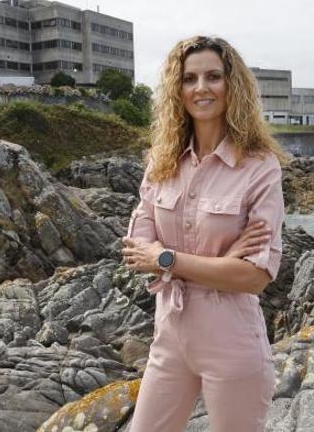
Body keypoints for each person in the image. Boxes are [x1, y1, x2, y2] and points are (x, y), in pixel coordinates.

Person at [121, 35, 287, 432]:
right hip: (170, 338)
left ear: (233, 85)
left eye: (213, 76)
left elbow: (255, 277)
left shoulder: (260, 168)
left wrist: (168, 260)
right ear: (177, 90)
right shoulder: (162, 163)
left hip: (232, 343)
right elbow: (135, 251)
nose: (201, 88)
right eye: (189, 78)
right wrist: (222, 261)